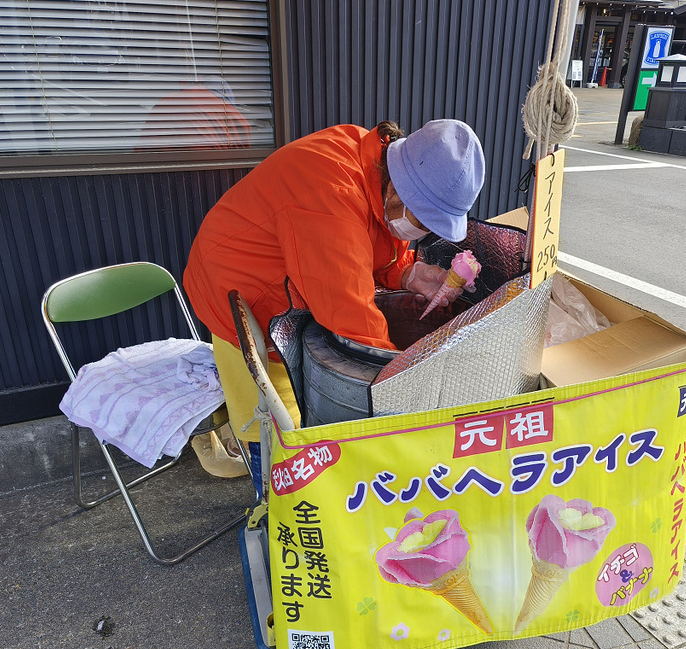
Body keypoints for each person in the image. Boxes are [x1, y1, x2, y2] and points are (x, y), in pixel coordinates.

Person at [183, 119, 486, 483]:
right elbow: (353, 321)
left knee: (291, 410)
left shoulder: (373, 162)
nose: (421, 231)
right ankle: (269, 488)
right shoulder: (330, 194)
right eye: (423, 220)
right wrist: (403, 391)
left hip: (284, 287)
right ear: (397, 190)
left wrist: (407, 273)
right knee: (273, 432)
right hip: (237, 290)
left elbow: (369, 236)